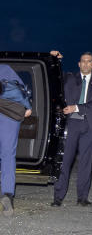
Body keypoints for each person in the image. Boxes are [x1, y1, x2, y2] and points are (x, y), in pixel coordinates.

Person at [49, 50, 92, 207]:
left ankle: (82, 197)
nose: (86, 63)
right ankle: (58, 197)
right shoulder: (69, 79)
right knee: (64, 161)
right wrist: (54, 59)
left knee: (85, 164)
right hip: (71, 125)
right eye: (83, 61)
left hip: (89, 127)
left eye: (89, 61)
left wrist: (76, 107)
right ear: (79, 64)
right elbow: (54, 76)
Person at [0, 64, 32, 217]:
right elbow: (20, 90)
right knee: (7, 155)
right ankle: (7, 194)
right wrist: (27, 106)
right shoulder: (5, 68)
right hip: (9, 114)